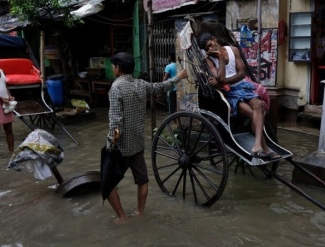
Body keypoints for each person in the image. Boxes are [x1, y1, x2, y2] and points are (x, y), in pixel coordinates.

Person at [106, 52, 187, 224]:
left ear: (118, 69)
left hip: (120, 145)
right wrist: (178, 77)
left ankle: (122, 217)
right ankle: (140, 212)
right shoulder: (141, 84)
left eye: (113, 66)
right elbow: (161, 87)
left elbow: (115, 122)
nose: (113, 69)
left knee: (108, 182)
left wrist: (110, 145)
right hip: (138, 142)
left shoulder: (116, 88)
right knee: (142, 179)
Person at [197, 32, 280, 160]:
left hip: (242, 86)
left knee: (258, 105)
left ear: (214, 39)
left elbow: (241, 73)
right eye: (207, 49)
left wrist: (223, 82)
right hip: (229, 92)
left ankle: (258, 145)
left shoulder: (233, 50)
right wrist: (220, 58)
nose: (210, 49)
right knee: (253, 114)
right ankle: (265, 149)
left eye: (210, 45)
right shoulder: (210, 59)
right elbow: (220, 77)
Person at [162, 50, 177, 114]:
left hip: (172, 90)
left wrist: (162, 87)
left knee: (172, 110)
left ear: (170, 57)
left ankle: (174, 123)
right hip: (179, 89)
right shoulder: (179, 65)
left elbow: (165, 79)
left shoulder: (168, 67)